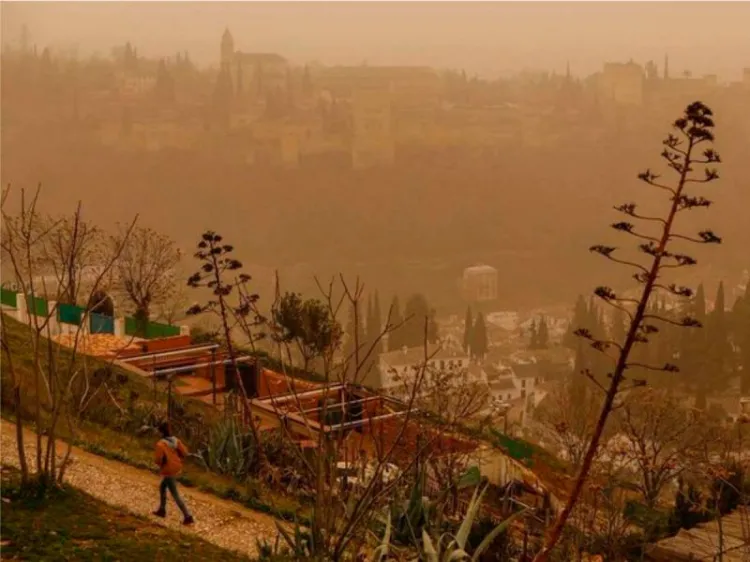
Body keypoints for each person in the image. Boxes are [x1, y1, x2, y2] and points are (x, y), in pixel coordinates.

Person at [152, 421, 194, 525]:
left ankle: (187, 516)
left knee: (175, 493)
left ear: (160, 432)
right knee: (162, 487)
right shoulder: (176, 440)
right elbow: (185, 452)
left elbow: (158, 459)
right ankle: (162, 509)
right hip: (176, 467)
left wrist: (160, 465)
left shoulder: (160, 444)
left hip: (168, 470)